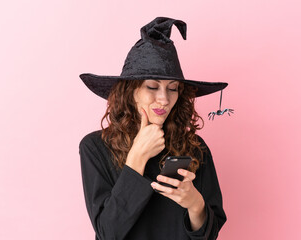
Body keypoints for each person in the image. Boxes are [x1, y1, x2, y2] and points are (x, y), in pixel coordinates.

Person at [79, 17, 227, 240]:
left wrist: (195, 205)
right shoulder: (95, 147)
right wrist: (137, 158)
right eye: (152, 86)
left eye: (173, 88)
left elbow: (211, 234)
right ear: (131, 90)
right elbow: (108, 233)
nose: (164, 99)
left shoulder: (196, 148)